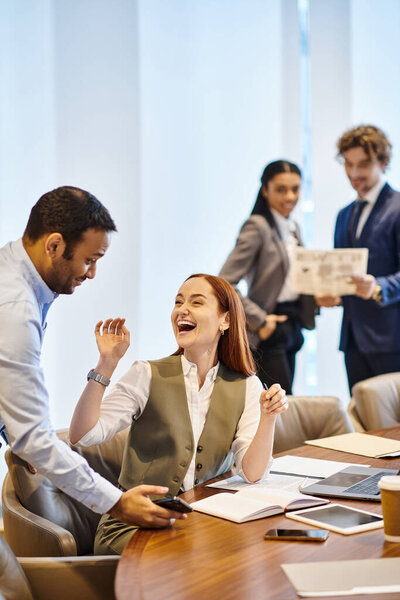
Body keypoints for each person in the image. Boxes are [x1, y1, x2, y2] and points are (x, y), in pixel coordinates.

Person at [0, 186, 185, 530]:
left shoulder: (20, 278)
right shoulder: (14, 308)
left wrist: (13, 433)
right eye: (89, 260)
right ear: (54, 245)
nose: (92, 273)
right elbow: (34, 437)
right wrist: (115, 502)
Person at [69, 273, 288, 555]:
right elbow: (83, 434)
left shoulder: (246, 386)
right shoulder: (146, 374)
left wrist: (268, 417)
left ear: (226, 320)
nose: (182, 309)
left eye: (197, 302)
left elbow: (252, 473)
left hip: (203, 525)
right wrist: (106, 364)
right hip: (134, 527)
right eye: (178, 302)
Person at [219, 160, 316, 393]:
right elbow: (225, 282)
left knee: (288, 404)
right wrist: (260, 319)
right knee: (279, 407)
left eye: (295, 189)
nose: (290, 196)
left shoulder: (293, 227)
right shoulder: (257, 226)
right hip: (269, 332)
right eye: (281, 189)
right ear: (265, 190)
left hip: (292, 325)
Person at [316, 125, 400, 392]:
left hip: (392, 337)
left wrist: (377, 287)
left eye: (363, 165)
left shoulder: (397, 208)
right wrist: (333, 294)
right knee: (363, 423)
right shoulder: (344, 215)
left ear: (383, 162)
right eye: (348, 165)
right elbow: (344, 274)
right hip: (353, 339)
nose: (354, 174)